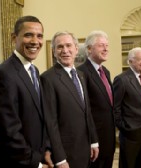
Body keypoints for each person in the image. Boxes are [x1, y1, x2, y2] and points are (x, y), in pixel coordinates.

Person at [0, 16, 53, 168]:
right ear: (14, 38)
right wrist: (36, 163)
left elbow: (40, 118)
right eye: (28, 35)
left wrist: (47, 150)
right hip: (17, 162)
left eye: (39, 36)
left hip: (37, 156)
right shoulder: (4, 74)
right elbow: (9, 132)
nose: (35, 41)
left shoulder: (34, 71)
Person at [40, 31, 99, 168]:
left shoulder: (81, 75)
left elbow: (87, 112)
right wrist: (60, 159)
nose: (65, 50)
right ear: (54, 51)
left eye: (68, 45)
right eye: (60, 47)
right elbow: (51, 123)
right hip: (66, 153)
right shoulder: (48, 79)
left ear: (76, 49)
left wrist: (93, 141)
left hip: (85, 149)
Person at [113, 47, 141, 168]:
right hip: (130, 134)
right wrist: (124, 127)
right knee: (128, 165)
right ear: (130, 61)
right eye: (139, 59)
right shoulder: (121, 80)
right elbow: (115, 107)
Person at [77, 30, 115, 168]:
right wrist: (92, 141)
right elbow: (84, 109)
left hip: (109, 135)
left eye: (107, 45)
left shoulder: (106, 72)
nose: (106, 49)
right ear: (89, 49)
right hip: (94, 138)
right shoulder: (81, 72)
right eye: (101, 45)